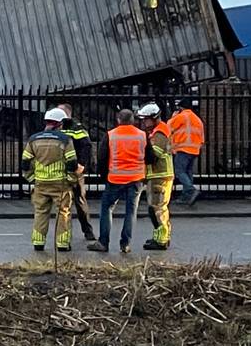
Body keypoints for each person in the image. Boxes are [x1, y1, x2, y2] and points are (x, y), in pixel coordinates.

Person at [89, 109, 155, 253]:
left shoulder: (111, 135)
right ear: (133, 121)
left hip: (115, 178)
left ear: (119, 120)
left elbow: (102, 158)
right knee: (131, 211)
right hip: (136, 178)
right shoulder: (142, 135)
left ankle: (103, 242)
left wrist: (103, 176)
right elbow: (151, 158)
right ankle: (125, 244)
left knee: (107, 209)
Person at [23, 108, 79, 252]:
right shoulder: (65, 139)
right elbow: (72, 163)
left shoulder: (33, 139)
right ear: (60, 124)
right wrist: (71, 180)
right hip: (60, 184)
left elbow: (25, 162)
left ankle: (38, 242)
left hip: (40, 183)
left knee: (40, 212)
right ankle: (62, 244)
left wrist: (31, 178)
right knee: (63, 212)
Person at [136, 103, 173, 250]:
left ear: (154, 118)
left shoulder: (159, 133)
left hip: (160, 175)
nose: (143, 122)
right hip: (158, 175)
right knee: (158, 208)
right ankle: (161, 237)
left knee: (156, 208)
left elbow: (153, 155)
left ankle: (161, 240)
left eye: (146, 119)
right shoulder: (157, 131)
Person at [57, 103, 96, 241]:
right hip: (60, 170)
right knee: (62, 204)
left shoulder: (77, 128)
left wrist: (82, 166)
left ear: (68, 113)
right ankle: (64, 234)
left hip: (74, 170)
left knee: (79, 200)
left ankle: (88, 230)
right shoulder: (56, 126)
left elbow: (86, 146)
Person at [169, 100, 204, 206]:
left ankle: (190, 190)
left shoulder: (182, 116)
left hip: (183, 148)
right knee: (188, 172)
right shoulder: (197, 119)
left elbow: (168, 127)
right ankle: (186, 197)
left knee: (179, 171)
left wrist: (173, 116)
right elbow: (202, 137)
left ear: (181, 108)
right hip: (194, 149)